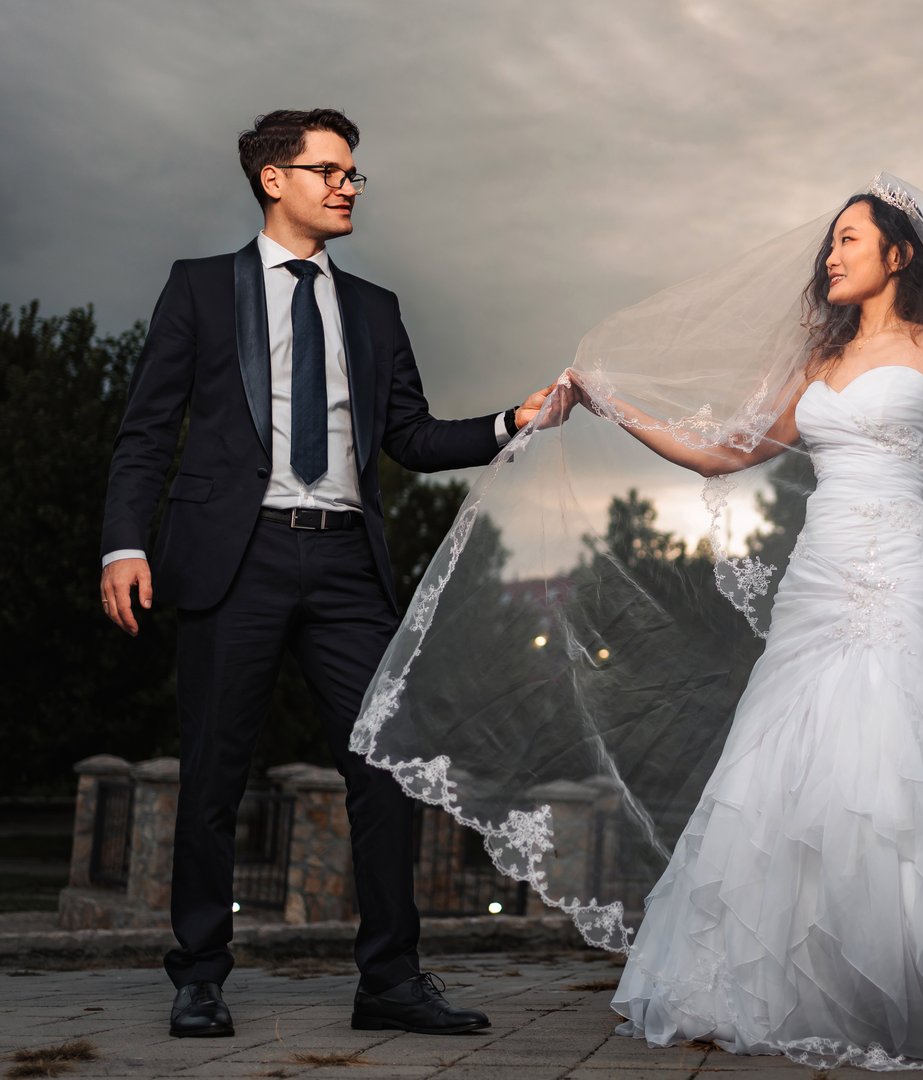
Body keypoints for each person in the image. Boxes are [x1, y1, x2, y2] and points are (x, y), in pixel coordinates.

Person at [352, 176, 923, 1068]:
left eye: (848, 240)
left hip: (898, 572)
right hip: (817, 580)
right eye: (831, 242)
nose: (830, 254)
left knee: (902, 750)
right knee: (787, 759)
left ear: (899, 254)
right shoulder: (819, 365)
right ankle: (797, 977)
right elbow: (725, 454)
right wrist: (608, 402)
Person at [99, 107, 568, 1039]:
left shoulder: (374, 309)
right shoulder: (198, 290)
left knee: (384, 766)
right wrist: (124, 544)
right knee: (213, 775)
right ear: (276, 179)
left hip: (349, 562)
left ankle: (390, 981)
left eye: (355, 173)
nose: (349, 185)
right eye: (331, 170)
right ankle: (199, 976)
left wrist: (512, 420)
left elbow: (410, 438)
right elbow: (147, 431)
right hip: (237, 557)